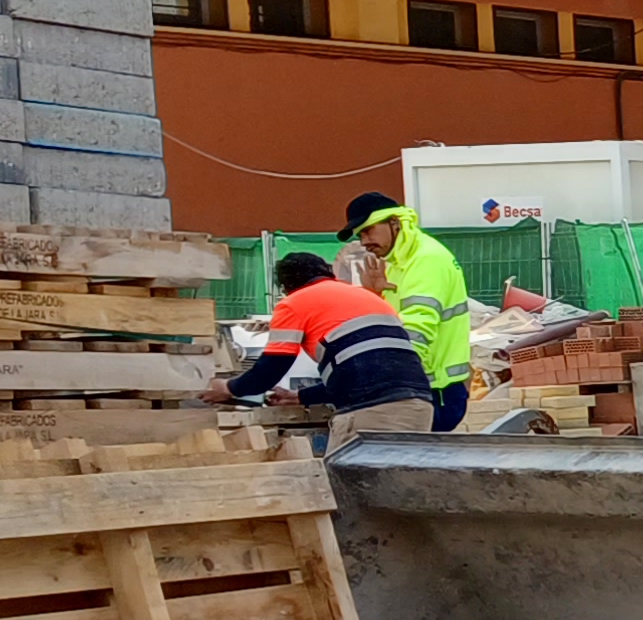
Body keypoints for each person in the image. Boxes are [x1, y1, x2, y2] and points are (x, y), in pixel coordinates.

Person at [199, 253, 436, 450]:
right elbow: (365, 373)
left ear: (286, 287)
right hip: (419, 406)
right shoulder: (368, 298)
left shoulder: (294, 303)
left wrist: (228, 388)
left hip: (373, 410)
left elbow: (271, 369)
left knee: (344, 485)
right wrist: (301, 397)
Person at [345, 192, 473, 430]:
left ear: (394, 222)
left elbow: (418, 327)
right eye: (360, 235)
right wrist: (375, 295)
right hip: (425, 385)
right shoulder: (400, 262)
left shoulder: (426, 260)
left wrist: (399, 381)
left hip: (433, 389)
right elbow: (394, 324)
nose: (364, 242)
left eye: (368, 231)